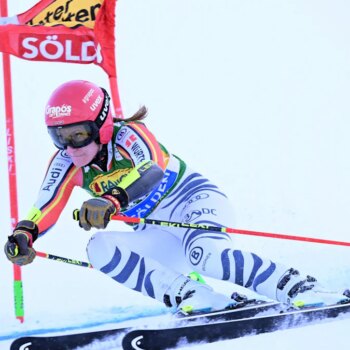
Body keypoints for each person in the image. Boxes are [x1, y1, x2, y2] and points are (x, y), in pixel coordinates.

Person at [4, 80, 349, 314]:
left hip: (193, 203)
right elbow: (45, 205)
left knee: (206, 256)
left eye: (78, 134)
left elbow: (151, 171)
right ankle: (197, 297)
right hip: (157, 233)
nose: (70, 146)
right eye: (59, 136)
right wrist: (24, 234)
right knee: (99, 248)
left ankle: (301, 287)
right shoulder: (66, 161)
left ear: (102, 125)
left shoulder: (129, 135)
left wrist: (111, 200)